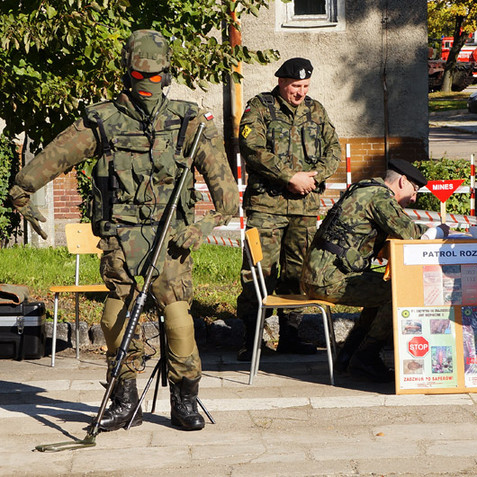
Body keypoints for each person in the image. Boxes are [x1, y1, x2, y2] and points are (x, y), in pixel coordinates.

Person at [9, 30, 238, 431]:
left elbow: (228, 199)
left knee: (179, 319)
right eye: (139, 75)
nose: (147, 83)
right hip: (121, 239)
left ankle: (185, 400)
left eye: (155, 76)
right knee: (116, 317)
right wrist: (23, 187)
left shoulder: (190, 122)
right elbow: (57, 154)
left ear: (167, 76)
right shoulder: (104, 121)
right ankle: (125, 399)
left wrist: (201, 227)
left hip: (171, 240)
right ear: (126, 73)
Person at [300, 159, 449, 382]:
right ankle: (365, 357)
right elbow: (411, 234)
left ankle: (349, 355)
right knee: (398, 293)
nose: (414, 197)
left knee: (385, 288)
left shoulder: (365, 188)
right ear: (402, 181)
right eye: (414, 190)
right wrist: (439, 231)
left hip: (320, 274)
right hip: (329, 279)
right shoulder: (380, 197)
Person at [236, 57, 342, 360]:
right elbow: (252, 150)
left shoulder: (316, 110)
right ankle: (252, 339)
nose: (301, 92)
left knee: (297, 274)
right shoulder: (260, 108)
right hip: (265, 207)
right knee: (259, 272)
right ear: (282, 82)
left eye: (306, 86)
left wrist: (314, 177)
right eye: (296, 86)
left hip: (304, 207)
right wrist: (289, 178)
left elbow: (333, 149)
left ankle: (291, 336)